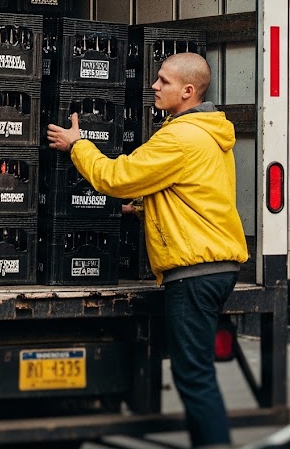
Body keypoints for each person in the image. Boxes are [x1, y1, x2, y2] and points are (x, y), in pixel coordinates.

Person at [46, 52, 246, 449]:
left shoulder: (179, 137)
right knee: (198, 374)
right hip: (215, 266)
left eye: (163, 81)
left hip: (193, 273)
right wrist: (140, 207)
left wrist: (78, 145)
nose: (154, 86)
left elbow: (116, 176)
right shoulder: (209, 134)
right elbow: (193, 195)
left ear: (188, 91)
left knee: (195, 378)